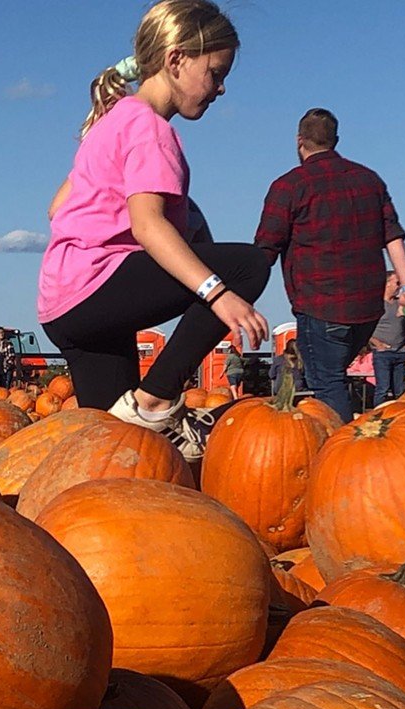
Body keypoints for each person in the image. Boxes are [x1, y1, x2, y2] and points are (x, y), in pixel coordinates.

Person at [38, 1, 270, 461]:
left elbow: (57, 207)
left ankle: (136, 424)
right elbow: (147, 225)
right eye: (216, 72)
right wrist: (216, 293)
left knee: (117, 449)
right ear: (176, 60)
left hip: (64, 305)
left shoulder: (112, 120)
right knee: (249, 265)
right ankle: (156, 399)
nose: (221, 88)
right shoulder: (151, 129)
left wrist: (183, 214)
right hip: (95, 289)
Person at [256, 107, 405, 421]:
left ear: (299, 140)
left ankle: (341, 452)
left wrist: (240, 296)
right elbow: (393, 235)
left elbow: (265, 248)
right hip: (368, 308)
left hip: (321, 304)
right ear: (336, 140)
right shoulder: (369, 180)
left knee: (327, 383)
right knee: (336, 375)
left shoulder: (289, 186)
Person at [370, 271, 405, 399]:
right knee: (383, 388)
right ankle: (378, 415)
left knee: (400, 390)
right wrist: (377, 344)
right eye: (397, 283)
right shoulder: (376, 304)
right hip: (383, 353)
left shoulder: (400, 304)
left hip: (400, 352)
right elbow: (366, 328)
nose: (399, 287)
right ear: (387, 284)